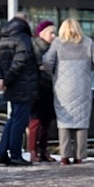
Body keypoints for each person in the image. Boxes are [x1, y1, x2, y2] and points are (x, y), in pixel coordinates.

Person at [42, 18, 94, 165]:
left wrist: (53, 72)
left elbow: (47, 61)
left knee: (64, 120)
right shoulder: (87, 42)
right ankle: (79, 156)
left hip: (62, 88)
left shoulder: (57, 43)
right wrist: (87, 69)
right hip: (82, 87)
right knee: (81, 121)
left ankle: (64, 156)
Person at [0, 12, 39, 167]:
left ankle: (2, 154)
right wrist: (7, 79)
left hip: (12, 86)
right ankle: (15, 155)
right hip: (23, 86)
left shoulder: (4, 37)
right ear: (24, 21)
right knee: (19, 121)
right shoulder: (23, 38)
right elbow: (21, 61)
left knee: (12, 119)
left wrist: (1, 79)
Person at [29, 20, 57, 162]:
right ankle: (33, 150)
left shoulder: (53, 47)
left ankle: (43, 150)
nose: (53, 36)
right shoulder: (35, 47)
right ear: (42, 33)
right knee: (36, 120)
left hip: (49, 87)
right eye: (50, 33)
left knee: (46, 122)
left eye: (54, 33)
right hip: (38, 87)